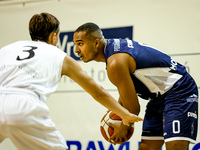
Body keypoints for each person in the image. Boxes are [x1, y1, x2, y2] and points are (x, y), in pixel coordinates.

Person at [0, 13, 143, 150]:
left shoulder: (6, 49)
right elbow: (98, 92)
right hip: (24, 106)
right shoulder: (59, 56)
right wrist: (124, 114)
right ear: (54, 36)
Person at [73, 22, 198, 150]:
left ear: (96, 43)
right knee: (146, 147)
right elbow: (126, 93)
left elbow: (133, 108)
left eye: (80, 44)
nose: (76, 50)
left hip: (179, 90)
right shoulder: (113, 49)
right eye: (75, 44)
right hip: (159, 97)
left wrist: (123, 127)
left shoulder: (115, 63)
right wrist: (117, 111)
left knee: (175, 147)